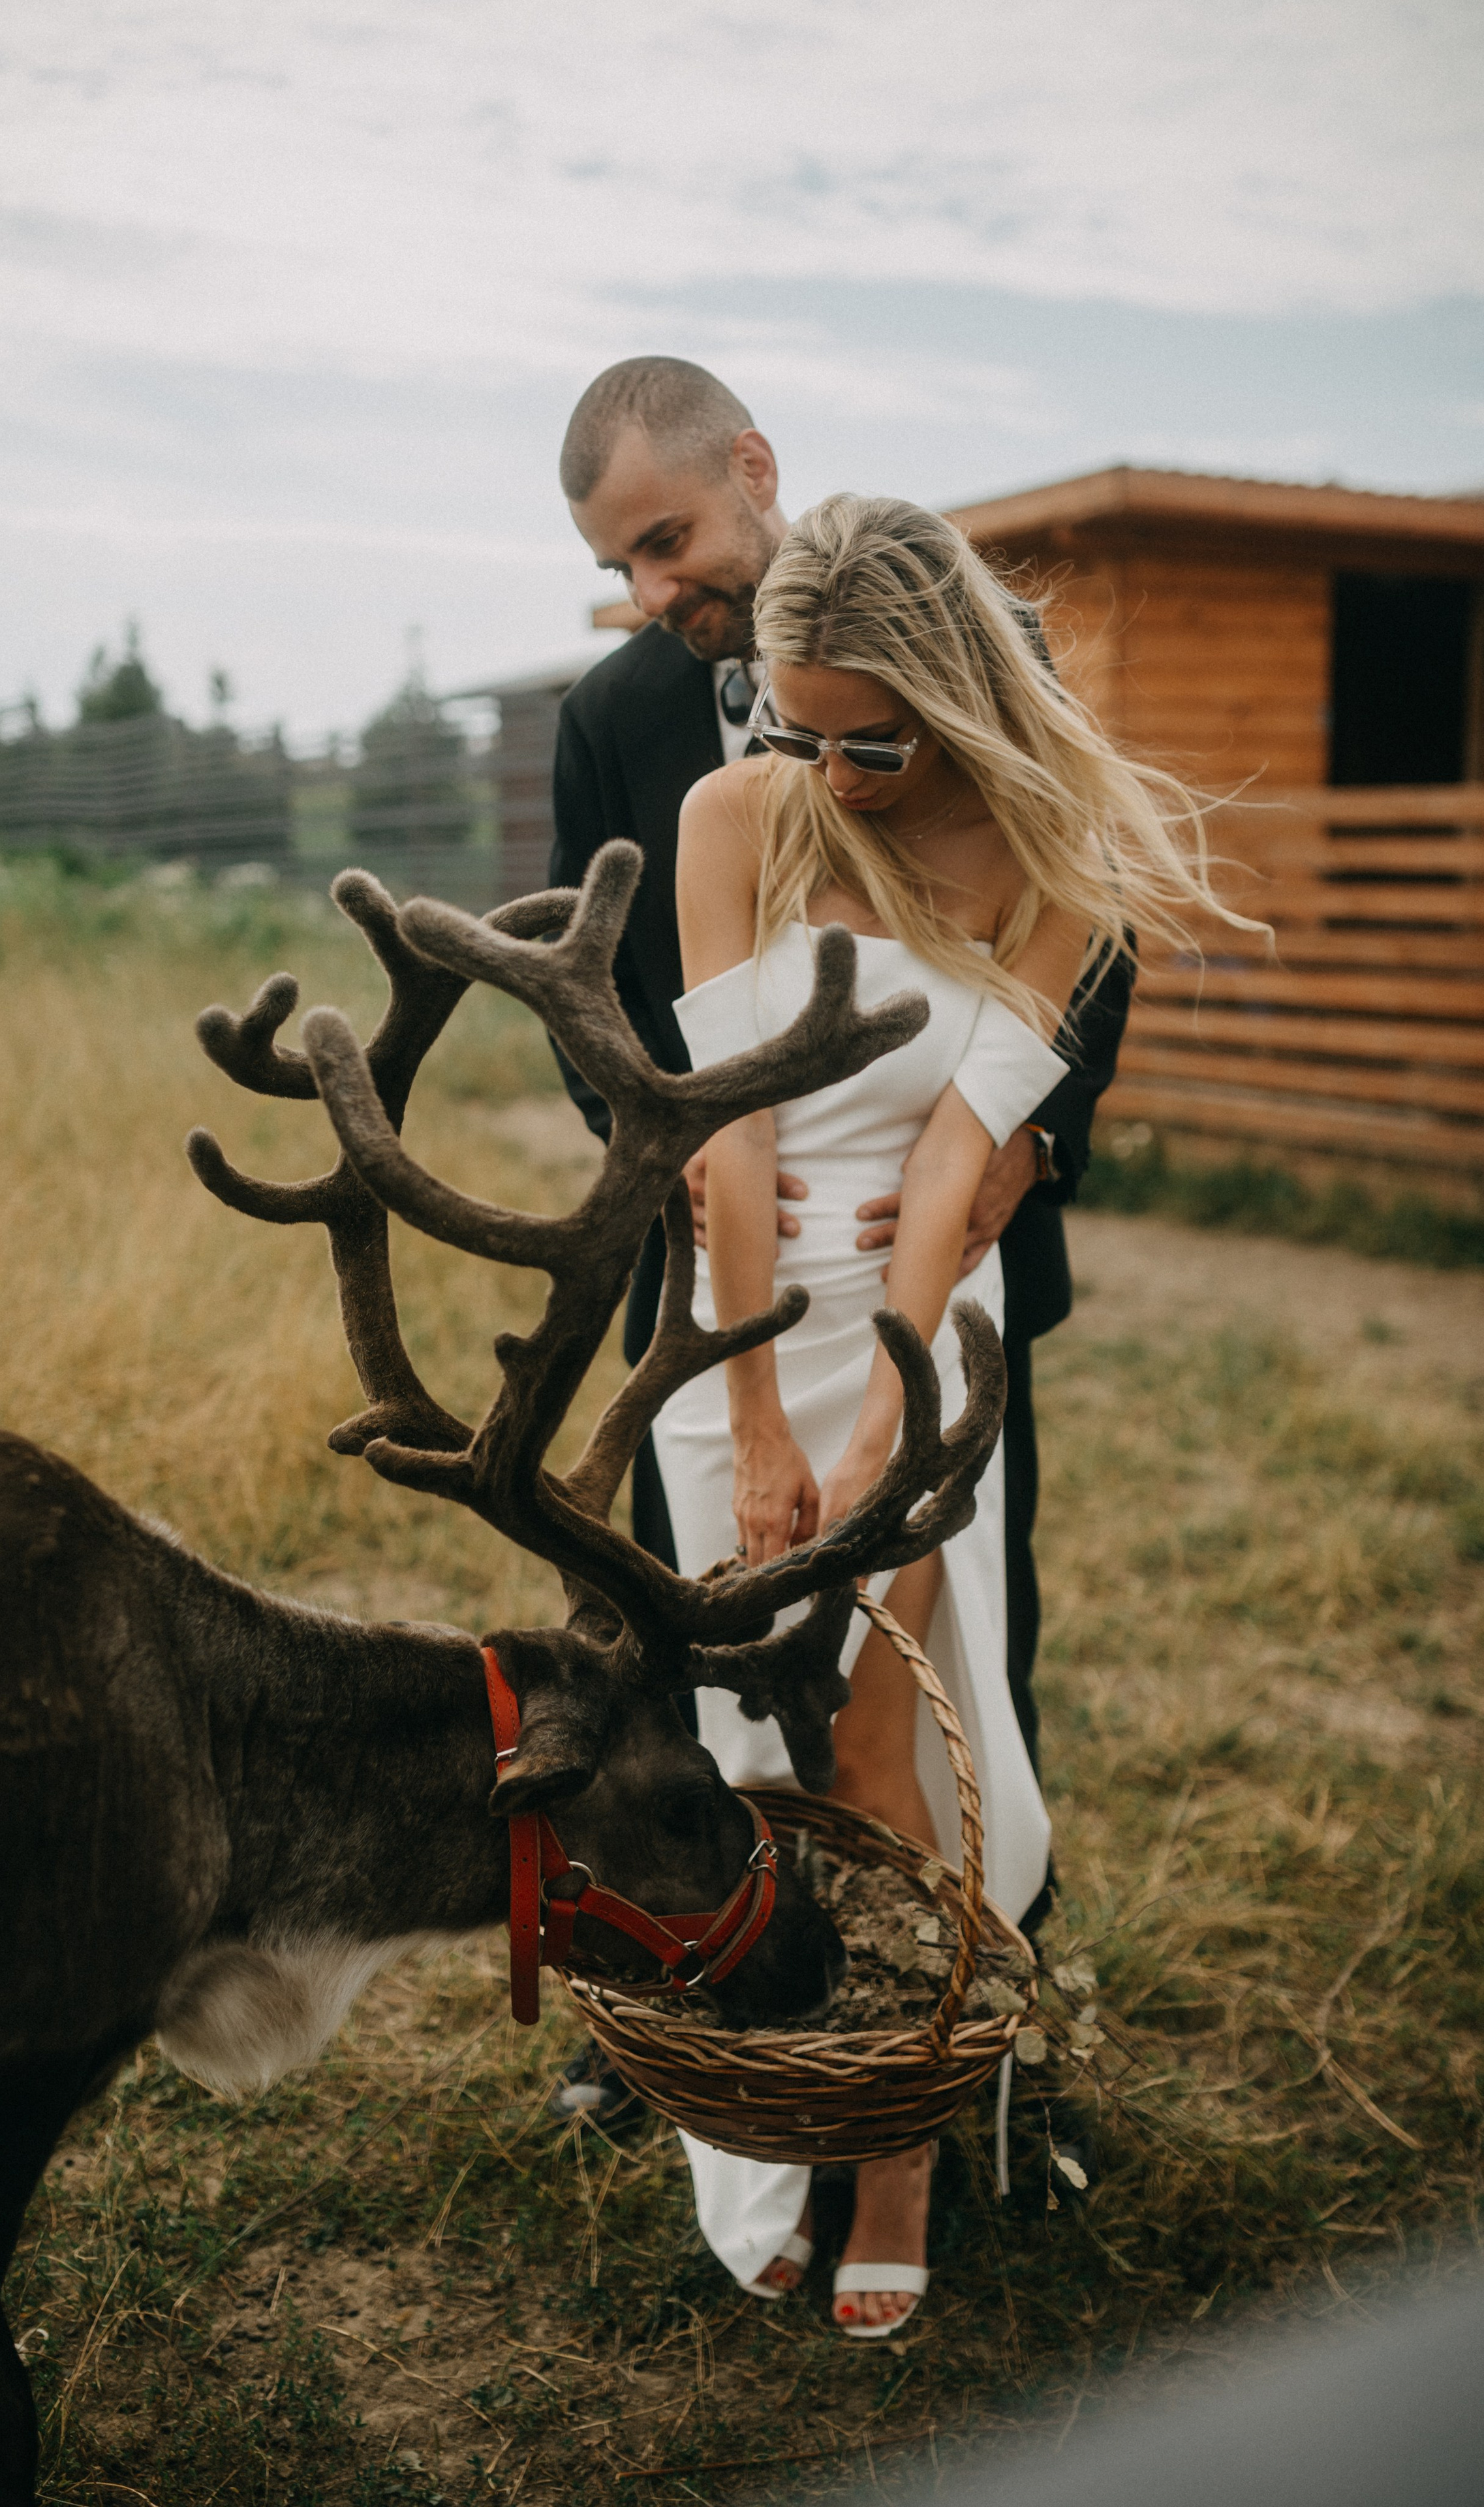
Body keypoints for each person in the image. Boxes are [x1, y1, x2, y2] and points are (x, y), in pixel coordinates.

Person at [656, 488, 1251, 2333]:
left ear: (952, 699)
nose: (827, 770)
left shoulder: (1048, 849)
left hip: (926, 1331)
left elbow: (959, 1146)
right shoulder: (731, 813)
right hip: (738, 1326)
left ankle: (898, 2148)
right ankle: (769, 2129)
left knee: (882, 1751)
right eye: (794, 727)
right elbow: (735, 1126)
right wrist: (760, 1414)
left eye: (872, 739)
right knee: (746, 1751)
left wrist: (883, 1432)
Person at [545, 358, 1127, 2135]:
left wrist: (1033, 1145)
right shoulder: (619, 720)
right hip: (720, 1269)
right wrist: (690, 1181)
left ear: (755, 470)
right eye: (621, 563)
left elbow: (1086, 938)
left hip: (941, 1255)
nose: (655, 588)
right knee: (688, 1634)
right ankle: (679, 2004)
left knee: (961, 1652)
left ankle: (987, 2017)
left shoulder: (973, 640)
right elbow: (600, 1009)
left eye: (669, 537)